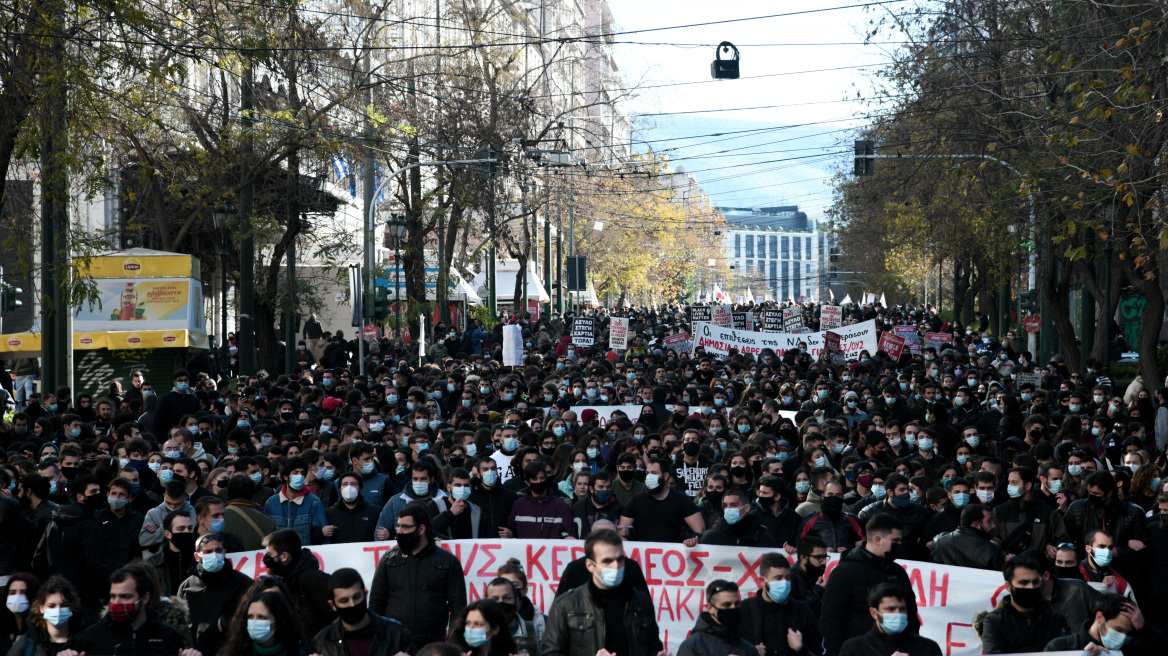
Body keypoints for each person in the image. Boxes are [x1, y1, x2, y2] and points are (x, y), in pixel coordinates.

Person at [542, 528, 664, 656]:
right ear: (590, 565)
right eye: (607, 561)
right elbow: (550, 653)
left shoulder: (640, 601)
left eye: (620, 559)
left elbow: (653, 646)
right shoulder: (566, 605)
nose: (615, 566)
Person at [368, 502, 466, 649]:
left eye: (405, 527)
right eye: (398, 526)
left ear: (421, 529)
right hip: (395, 644)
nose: (399, 531)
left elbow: (458, 605)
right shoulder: (389, 560)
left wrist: (453, 642)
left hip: (433, 644)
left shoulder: (448, 561)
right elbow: (376, 603)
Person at [820, 514, 919, 656]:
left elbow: (911, 616)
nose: (899, 545)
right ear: (878, 539)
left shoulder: (898, 572)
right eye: (895, 541)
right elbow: (831, 623)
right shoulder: (844, 573)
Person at [73, 565, 196, 656]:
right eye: (113, 596)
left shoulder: (168, 636)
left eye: (125, 597)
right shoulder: (91, 638)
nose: (117, 603)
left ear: (145, 598)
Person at [177, 534, 254, 656]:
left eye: (218, 550)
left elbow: (247, 617)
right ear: (197, 556)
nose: (214, 555)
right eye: (208, 551)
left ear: (224, 552)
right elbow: (180, 622)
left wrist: (222, 624)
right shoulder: (187, 585)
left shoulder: (243, 583)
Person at [310, 568, 413, 656]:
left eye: (356, 597)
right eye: (344, 601)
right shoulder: (322, 642)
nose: (352, 604)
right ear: (333, 605)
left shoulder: (397, 634)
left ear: (365, 595)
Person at [740, 552, 824, 656]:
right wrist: (749, 652)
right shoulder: (744, 610)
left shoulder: (802, 611)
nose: (784, 583)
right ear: (762, 581)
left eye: (788, 578)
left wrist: (801, 649)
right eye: (778, 578)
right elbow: (728, 648)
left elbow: (818, 651)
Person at [980, 557, 1070, 653]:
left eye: (1035, 582)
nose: (1031, 587)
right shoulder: (994, 621)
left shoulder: (1055, 619)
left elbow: (1066, 651)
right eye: (1024, 582)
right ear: (1008, 587)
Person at [261, 529, 335, 636]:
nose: (266, 558)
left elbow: (333, 617)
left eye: (269, 554)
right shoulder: (281, 579)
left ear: (284, 556)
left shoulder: (314, 579)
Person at [1044, 593, 1166, 656]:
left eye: (1127, 632)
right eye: (1118, 629)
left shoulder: (1130, 648)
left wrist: (1144, 629)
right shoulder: (1061, 647)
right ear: (1100, 618)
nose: (1122, 637)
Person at [619, 457, 705, 545]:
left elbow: (700, 530)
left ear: (666, 476)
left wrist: (692, 541)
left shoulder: (682, 500)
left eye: (654, 473)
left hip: (674, 555)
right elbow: (621, 532)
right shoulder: (636, 501)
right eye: (647, 473)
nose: (649, 477)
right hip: (643, 556)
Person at [839, 584, 941, 656]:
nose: (898, 613)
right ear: (874, 613)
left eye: (902, 609)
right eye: (890, 609)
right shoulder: (855, 648)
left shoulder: (927, 648)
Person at [677, 580, 758, 656]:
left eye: (736, 604)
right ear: (710, 608)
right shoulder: (692, 646)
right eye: (727, 605)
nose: (733, 608)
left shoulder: (748, 648)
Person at [218, 590, 309, 656]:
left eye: (261, 617)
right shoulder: (234, 651)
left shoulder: (299, 651)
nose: (254, 622)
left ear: (278, 620)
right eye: (250, 617)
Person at [5, 575, 80, 656]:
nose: (58, 610)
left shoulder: (85, 639)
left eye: (64, 605)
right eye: (51, 606)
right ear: (42, 608)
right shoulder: (28, 642)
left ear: (72, 606)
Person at [930, 504, 1005, 570]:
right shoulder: (991, 550)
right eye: (989, 521)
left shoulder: (939, 541)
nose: (993, 525)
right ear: (975, 525)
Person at [701, 488, 777, 547]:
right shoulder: (711, 536)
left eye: (733, 505)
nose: (728, 509)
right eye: (725, 506)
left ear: (747, 508)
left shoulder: (762, 536)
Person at [483, 578, 539, 655]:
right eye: (495, 599)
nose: (501, 602)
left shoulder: (536, 633)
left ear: (517, 601)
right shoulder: (477, 634)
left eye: (507, 598)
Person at [324, 472, 380, 543]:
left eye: (353, 484)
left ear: (360, 489)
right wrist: (322, 532)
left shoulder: (374, 512)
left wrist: (387, 534)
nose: (349, 488)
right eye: (345, 484)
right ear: (340, 490)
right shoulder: (330, 513)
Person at [447, 600, 518, 656]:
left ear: (495, 629)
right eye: (468, 623)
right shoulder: (453, 652)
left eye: (478, 624)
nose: (471, 628)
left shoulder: (508, 652)